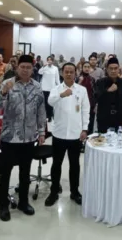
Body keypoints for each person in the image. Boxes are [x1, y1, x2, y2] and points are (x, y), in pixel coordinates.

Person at [0, 55, 47, 221]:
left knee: (25, 172)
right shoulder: (8, 83)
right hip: (9, 137)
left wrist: (41, 132)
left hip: (29, 137)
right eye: (22, 67)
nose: (25, 70)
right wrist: (4, 92)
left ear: (32, 69)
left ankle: (23, 202)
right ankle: (3, 205)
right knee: (6, 172)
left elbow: (41, 111)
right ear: (17, 68)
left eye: (28, 67)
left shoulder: (37, 86)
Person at [45, 63, 89, 207]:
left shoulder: (82, 90)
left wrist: (85, 129)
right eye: (66, 72)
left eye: (71, 72)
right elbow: (50, 101)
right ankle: (53, 192)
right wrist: (62, 95)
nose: (69, 74)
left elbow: (85, 110)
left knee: (75, 164)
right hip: (59, 133)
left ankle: (74, 192)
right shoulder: (56, 89)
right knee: (56, 164)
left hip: (76, 134)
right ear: (62, 73)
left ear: (75, 73)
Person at [93, 57, 122, 132]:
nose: (113, 71)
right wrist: (108, 91)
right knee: (103, 138)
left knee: (119, 138)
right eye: (111, 68)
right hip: (104, 117)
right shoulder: (100, 82)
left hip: (119, 118)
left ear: (119, 69)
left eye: (115, 68)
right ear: (107, 69)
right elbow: (97, 98)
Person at [38, 56, 61, 120]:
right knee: (45, 102)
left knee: (51, 102)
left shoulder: (55, 68)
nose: (49, 61)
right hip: (44, 87)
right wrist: (43, 67)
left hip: (52, 88)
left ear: (53, 61)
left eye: (50, 60)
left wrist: (59, 86)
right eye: (48, 60)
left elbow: (57, 78)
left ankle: (50, 115)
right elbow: (39, 72)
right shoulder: (45, 67)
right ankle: (45, 115)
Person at [77, 62, 96, 134]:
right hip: (79, 104)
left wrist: (95, 104)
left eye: (88, 67)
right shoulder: (77, 78)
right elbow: (74, 91)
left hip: (90, 103)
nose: (87, 68)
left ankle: (89, 137)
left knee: (90, 122)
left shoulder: (92, 79)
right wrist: (79, 81)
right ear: (82, 68)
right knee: (79, 122)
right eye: (85, 67)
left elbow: (94, 93)